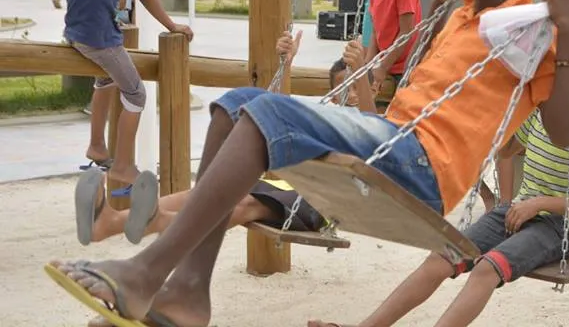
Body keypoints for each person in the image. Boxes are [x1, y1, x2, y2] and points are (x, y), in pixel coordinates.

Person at [47, 0, 569, 327]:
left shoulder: (533, 27)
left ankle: (144, 273)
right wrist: (443, 10)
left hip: (425, 168)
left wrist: (565, 30)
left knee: (269, 116)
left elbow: (563, 133)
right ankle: (188, 292)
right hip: (390, 140)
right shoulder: (463, 14)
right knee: (235, 105)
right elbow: (422, 83)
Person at [315, 31, 569, 327]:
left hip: (557, 227)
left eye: (566, 66)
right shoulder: (538, 112)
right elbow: (505, 149)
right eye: (548, 66)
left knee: (486, 268)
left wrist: (538, 204)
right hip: (516, 213)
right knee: (441, 258)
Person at [74, 59, 366, 252]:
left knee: (243, 205)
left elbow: (377, 153)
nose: (350, 93)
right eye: (345, 86)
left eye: (357, 85)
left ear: (371, 86)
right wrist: (285, 63)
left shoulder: (375, 127)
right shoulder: (330, 118)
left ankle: (151, 221)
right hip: (297, 191)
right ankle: (114, 219)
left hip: (325, 205)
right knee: (208, 192)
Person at [63, 0, 193, 187]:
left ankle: (97, 144)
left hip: (75, 35)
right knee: (136, 94)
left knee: (107, 79)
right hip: (100, 39)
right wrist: (173, 26)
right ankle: (122, 164)